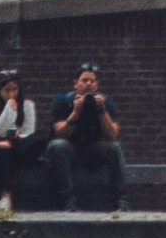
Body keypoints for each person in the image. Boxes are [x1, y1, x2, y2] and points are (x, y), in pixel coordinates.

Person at [46, 64, 127, 212]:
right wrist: (75, 112)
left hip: (94, 147)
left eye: (92, 81)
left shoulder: (106, 103)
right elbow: (59, 133)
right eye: (84, 80)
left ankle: (119, 201)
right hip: (71, 148)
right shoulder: (62, 101)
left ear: (97, 85)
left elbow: (113, 135)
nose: (88, 84)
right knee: (57, 146)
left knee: (114, 148)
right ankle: (68, 200)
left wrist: (102, 112)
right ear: (75, 83)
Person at [0, 70, 42, 214]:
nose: (12, 94)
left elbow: (29, 132)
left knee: (36, 141)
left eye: (15, 89)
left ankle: (1, 146)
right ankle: (6, 197)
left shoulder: (27, 105)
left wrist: (18, 135)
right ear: (0, 91)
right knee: (5, 155)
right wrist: (7, 112)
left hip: (17, 147)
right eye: (7, 90)